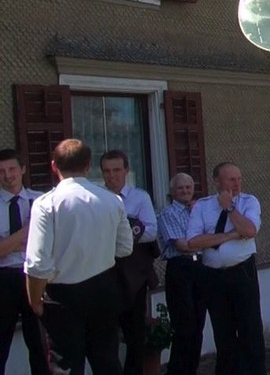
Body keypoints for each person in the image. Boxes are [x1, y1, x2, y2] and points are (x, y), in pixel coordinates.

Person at [24, 139, 133, 375]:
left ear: (54, 166)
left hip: (63, 296)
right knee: (107, 362)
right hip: (104, 289)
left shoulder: (46, 204)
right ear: (88, 166)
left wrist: (34, 301)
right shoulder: (112, 200)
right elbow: (125, 248)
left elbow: (38, 263)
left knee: (67, 366)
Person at [186, 162, 265, 375]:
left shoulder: (248, 202)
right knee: (223, 331)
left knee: (250, 328)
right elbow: (193, 242)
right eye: (231, 179)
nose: (236, 183)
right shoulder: (203, 206)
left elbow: (249, 230)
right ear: (217, 181)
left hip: (242, 272)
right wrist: (230, 235)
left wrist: (229, 207)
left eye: (239, 178)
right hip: (213, 276)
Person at [101, 150, 158, 375]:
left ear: (126, 170)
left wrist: (120, 233)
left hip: (133, 275)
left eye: (116, 170)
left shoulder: (139, 197)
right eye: (107, 171)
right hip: (104, 273)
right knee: (105, 334)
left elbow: (151, 232)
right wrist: (129, 227)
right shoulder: (96, 198)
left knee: (135, 333)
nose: (112, 175)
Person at [0, 149, 48, 375]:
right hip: (4, 278)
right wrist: (29, 231)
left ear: (23, 170)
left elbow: (50, 243)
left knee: (39, 344)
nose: (7, 175)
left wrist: (8, 243)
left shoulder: (41, 201)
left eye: (12, 169)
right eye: (1, 171)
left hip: (36, 276)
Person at [157, 173, 206, 375]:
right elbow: (182, 245)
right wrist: (208, 242)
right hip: (181, 269)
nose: (185, 191)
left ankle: (191, 370)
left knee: (199, 325)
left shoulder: (198, 211)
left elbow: (208, 236)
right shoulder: (168, 213)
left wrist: (205, 241)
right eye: (180, 188)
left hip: (200, 267)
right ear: (172, 191)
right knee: (185, 325)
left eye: (188, 187)